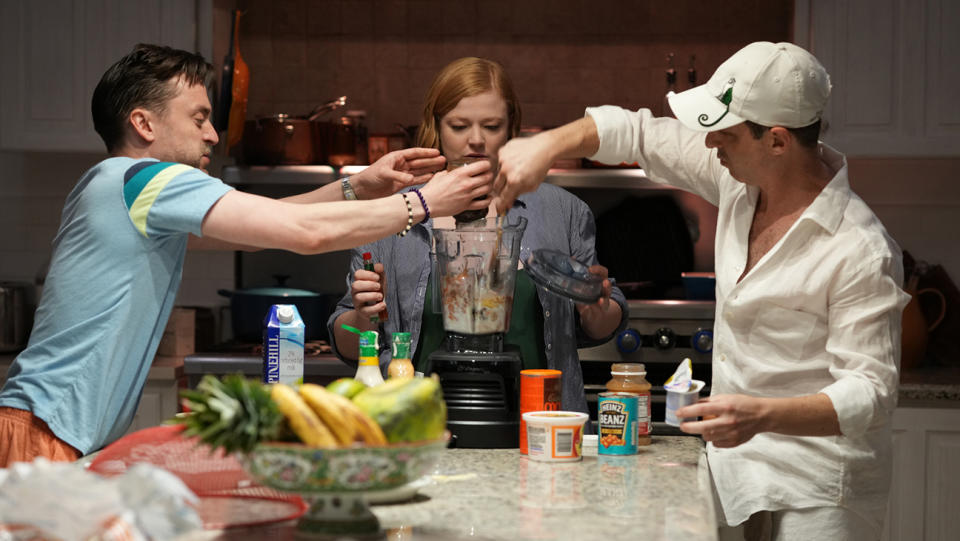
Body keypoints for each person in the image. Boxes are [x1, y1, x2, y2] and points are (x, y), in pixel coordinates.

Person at [0, 44, 493, 467]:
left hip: (43, 429)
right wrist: (426, 203)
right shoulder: (146, 179)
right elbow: (302, 233)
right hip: (42, 436)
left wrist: (357, 187)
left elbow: (259, 230)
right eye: (198, 118)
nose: (213, 134)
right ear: (143, 123)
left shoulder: (122, 190)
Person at [492, 42, 909, 540]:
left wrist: (762, 413)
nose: (711, 145)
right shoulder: (740, 178)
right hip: (736, 468)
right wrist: (547, 145)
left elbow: (871, 393)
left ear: (776, 141)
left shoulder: (860, 248)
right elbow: (638, 133)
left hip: (823, 485)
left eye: (725, 135)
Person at [328, 57, 626, 417]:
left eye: (491, 125)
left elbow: (601, 326)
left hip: (539, 428)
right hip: (418, 425)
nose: (476, 140)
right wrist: (363, 317)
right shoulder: (392, 214)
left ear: (511, 128)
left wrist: (593, 304)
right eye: (458, 125)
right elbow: (347, 344)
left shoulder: (562, 211)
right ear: (436, 126)